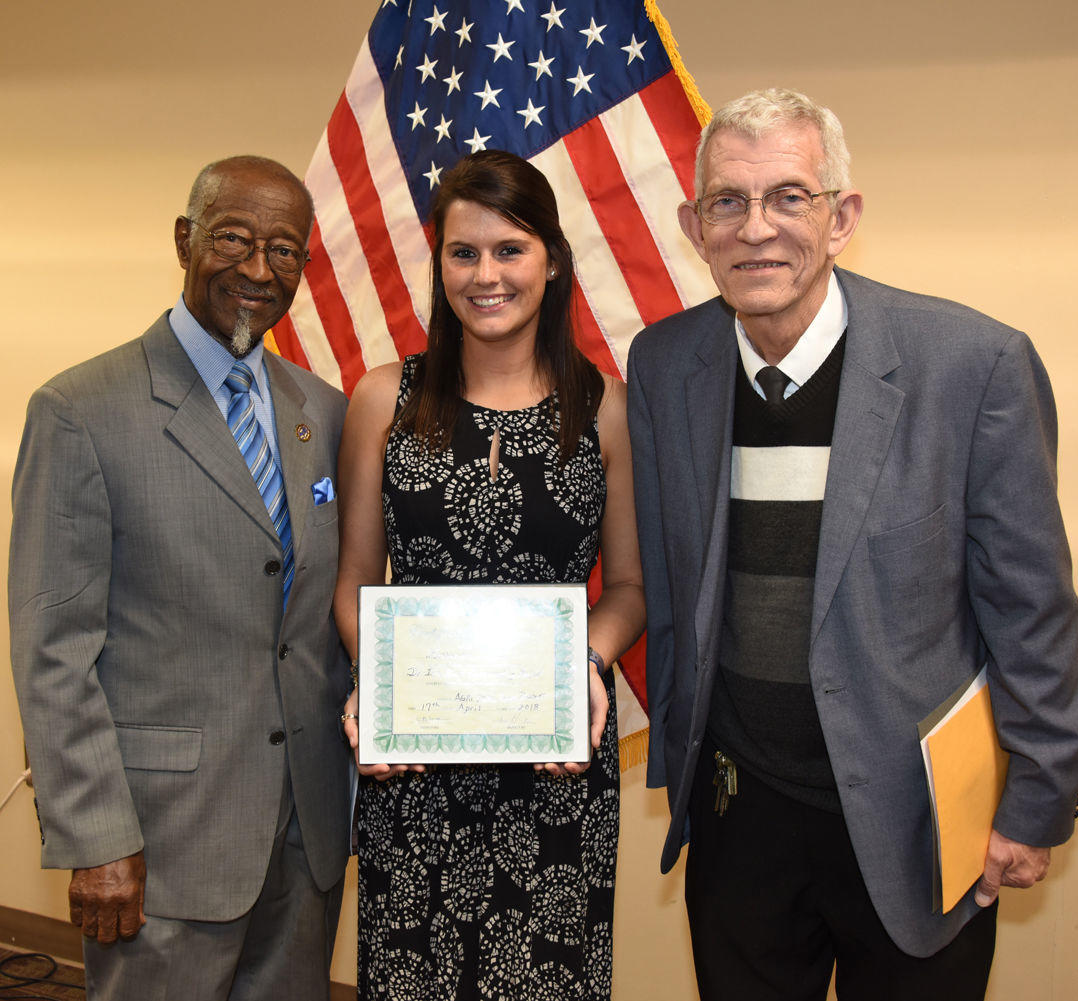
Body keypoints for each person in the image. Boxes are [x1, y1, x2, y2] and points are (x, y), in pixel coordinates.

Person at [626, 88, 1078, 1000]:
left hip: (918, 819)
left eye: (788, 197)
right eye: (728, 201)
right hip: (739, 812)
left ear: (841, 217)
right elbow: (675, 584)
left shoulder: (972, 364)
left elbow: (1032, 610)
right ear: (694, 224)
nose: (756, 228)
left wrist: (1035, 800)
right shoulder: (663, 361)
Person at [8, 155, 351, 1001]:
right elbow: (53, 647)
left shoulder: (322, 409)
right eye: (233, 237)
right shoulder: (82, 409)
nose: (257, 269)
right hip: (159, 844)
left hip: (304, 834)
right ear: (184, 239)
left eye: (284, 250)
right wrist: (94, 835)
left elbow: (321, 612)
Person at [334, 149, 645, 1001]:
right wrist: (381, 681)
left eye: (509, 249)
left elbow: (629, 588)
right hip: (415, 763)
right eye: (463, 252)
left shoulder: (605, 406)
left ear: (551, 260)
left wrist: (587, 661)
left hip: (556, 761)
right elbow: (357, 577)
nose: (486, 274)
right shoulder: (381, 398)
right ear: (438, 265)